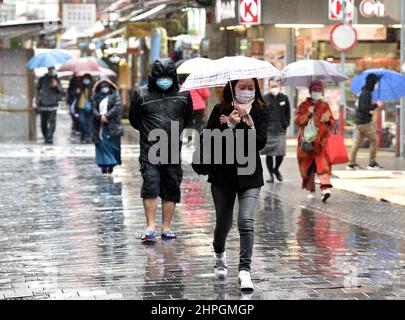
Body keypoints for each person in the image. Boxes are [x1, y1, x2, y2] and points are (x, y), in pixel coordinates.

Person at [200, 78, 268, 291]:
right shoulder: (219, 110)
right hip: (223, 176)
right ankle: (219, 252)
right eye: (242, 87)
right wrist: (228, 125)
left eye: (251, 88)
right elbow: (208, 141)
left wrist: (246, 126)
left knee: (245, 221)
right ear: (233, 89)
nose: (247, 91)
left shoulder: (259, 111)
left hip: (250, 176)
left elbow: (260, 143)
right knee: (223, 224)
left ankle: (244, 271)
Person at [129, 59, 193, 242]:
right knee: (150, 185)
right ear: (154, 77)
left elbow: (187, 118)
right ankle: (151, 226)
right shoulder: (141, 94)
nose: (164, 80)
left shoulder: (183, 94)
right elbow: (134, 120)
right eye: (161, 77)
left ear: (173, 77)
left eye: (168, 77)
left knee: (171, 187)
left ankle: (166, 226)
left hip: (172, 149)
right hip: (150, 150)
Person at [295, 80, 334, 202]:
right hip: (306, 143)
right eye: (314, 90)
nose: (316, 92)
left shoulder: (325, 105)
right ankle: (311, 189)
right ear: (310, 91)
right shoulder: (303, 105)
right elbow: (298, 121)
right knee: (308, 167)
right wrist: (308, 114)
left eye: (318, 90)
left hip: (321, 142)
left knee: (324, 165)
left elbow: (332, 122)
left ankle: (325, 189)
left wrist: (328, 119)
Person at [347, 73, 384, 170]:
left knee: (357, 142)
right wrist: (376, 105)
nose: (376, 85)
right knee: (374, 140)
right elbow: (364, 108)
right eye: (375, 82)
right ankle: (372, 163)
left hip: (360, 121)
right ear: (372, 82)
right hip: (364, 122)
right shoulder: (366, 93)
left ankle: (351, 163)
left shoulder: (363, 91)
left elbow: (360, 106)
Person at [261, 79, 291, 183]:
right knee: (269, 154)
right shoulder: (265, 99)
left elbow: (288, 113)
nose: (274, 88)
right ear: (269, 87)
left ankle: (276, 169)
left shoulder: (284, 98)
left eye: (276, 86)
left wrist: (286, 124)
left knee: (280, 154)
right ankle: (270, 175)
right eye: (272, 86)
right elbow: (262, 115)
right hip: (268, 130)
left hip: (280, 130)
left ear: (280, 86)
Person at [92, 78, 124, 174]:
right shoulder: (96, 97)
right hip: (99, 126)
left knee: (112, 145)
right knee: (102, 145)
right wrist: (99, 116)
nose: (105, 89)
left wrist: (106, 116)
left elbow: (117, 107)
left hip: (112, 125)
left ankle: (111, 164)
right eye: (103, 87)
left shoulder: (115, 96)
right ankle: (103, 164)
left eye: (106, 87)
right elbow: (93, 109)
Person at [36, 66, 62, 144]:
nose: (51, 71)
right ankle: (45, 135)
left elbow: (60, 91)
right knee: (43, 122)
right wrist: (38, 100)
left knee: (52, 121)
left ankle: (49, 137)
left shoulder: (56, 79)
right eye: (50, 69)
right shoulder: (42, 79)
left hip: (53, 103)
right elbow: (38, 89)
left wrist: (56, 86)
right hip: (43, 103)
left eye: (53, 69)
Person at [76, 74, 94, 143]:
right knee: (82, 121)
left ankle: (88, 136)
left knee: (89, 122)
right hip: (81, 107)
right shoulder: (80, 87)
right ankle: (83, 135)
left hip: (90, 107)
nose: (86, 80)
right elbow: (75, 97)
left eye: (87, 79)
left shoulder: (93, 87)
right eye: (85, 79)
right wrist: (77, 92)